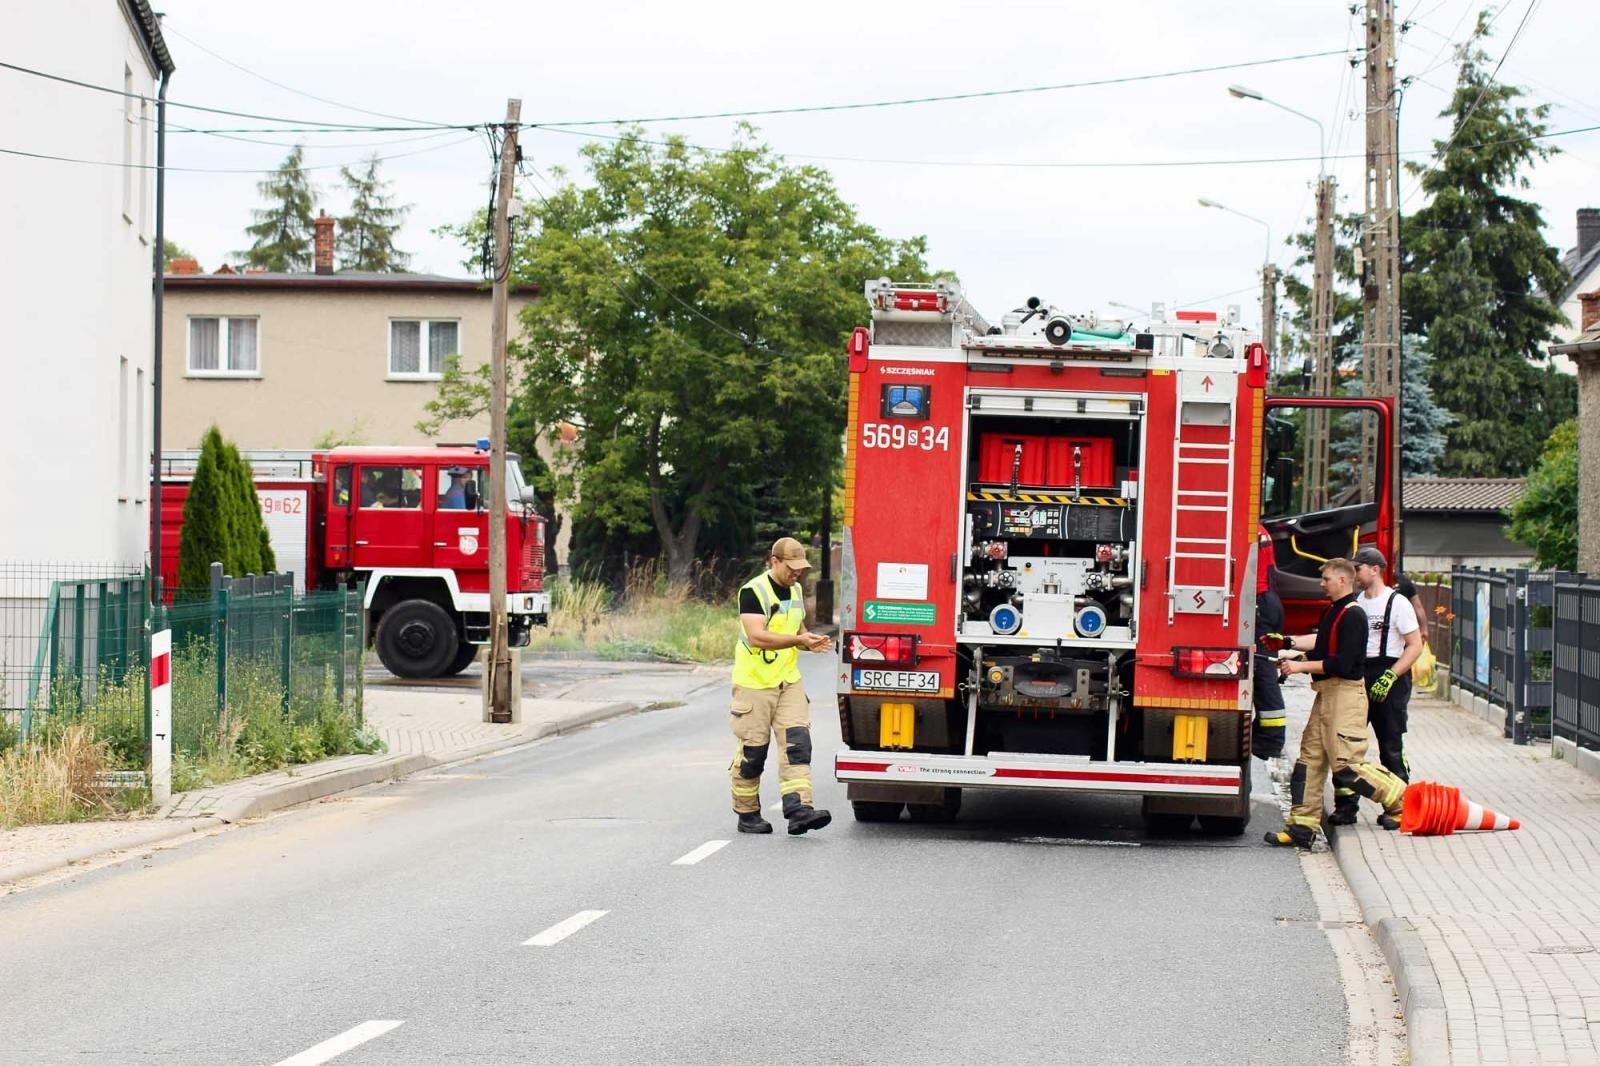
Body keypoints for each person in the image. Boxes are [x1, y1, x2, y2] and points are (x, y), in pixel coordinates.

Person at [1264, 557, 1407, 848]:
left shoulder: (1353, 615)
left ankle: (1405, 801)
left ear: (1342, 580)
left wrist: (1300, 667)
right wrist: (1289, 648)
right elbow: (1322, 648)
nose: (1321, 583)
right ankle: (1301, 828)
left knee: (1347, 767)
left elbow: (1342, 663)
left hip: (1345, 696)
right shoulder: (1335, 611)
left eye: (1326, 579)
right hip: (1327, 695)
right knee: (1309, 762)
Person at [729, 537, 834, 836]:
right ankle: (747, 813)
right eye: (791, 567)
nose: (796, 573)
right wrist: (798, 640)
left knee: (797, 745)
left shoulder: (797, 589)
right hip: (754, 684)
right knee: (753, 754)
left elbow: (797, 630)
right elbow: (757, 637)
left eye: (800, 568)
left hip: (788, 681)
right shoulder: (753, 591)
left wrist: (809, 641)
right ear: (774, 561)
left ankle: (799, 810)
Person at [1331, 546, 1424, 823]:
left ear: (1375, 569)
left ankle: (1402, 807)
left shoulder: (1398, 603)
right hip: (1360, 675)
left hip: (1389, 677)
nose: (1354, 573)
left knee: (1390, 746)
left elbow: (1415, 645)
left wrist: (1391, 675)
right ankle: (1346, 808)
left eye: (1358, 568)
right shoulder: (1356, 602)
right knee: (1348, 747)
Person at [1252, 524, 1287, 760]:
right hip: (1267, 603)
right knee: (1264, 665)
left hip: (1257, 605)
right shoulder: (1259, 528)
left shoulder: (1244, 527)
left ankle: (1270, 740)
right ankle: (1270, 738)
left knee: (1262, 666)